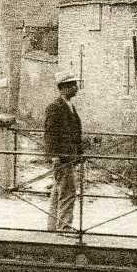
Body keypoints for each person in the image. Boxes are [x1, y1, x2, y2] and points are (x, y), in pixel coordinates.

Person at [41, 70, 83, 231]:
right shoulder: (55, 107)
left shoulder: (69, 106)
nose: (76, 88)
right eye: (72, 85)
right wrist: (54, 156)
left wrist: (79, 153)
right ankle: (64, 227)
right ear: (63, 88)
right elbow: (50, 133)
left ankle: (52, 226)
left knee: (58, 191)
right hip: (62, 157)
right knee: (68, 191)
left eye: (75, 85)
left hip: (69, 156)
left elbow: (75, 133)